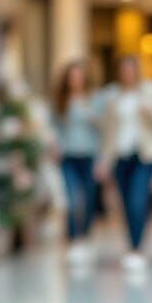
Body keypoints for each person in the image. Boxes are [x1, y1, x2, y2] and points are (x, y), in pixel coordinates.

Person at [96, 55, 152, 274]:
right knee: (125, 203)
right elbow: (108, 132)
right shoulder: (112, 95)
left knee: (137, 200)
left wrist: (151, 112)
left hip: (146, 155)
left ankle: (138, 249)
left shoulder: (151, 91)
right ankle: (132, 246)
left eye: (131, 69)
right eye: (124, 69)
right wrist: (104, 160)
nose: (127, 74)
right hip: (121, 156)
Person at [52, 59, 101, 264]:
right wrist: (54, 145)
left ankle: (85, 236)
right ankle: (73, 239)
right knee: (72, 198)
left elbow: (103, 127)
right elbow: (53, 126)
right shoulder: (61, 101)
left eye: (79, 77)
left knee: (89, 198)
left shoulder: (95, 99)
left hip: (90, 155)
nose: (76, 80)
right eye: (72, 77)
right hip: (68, 156)